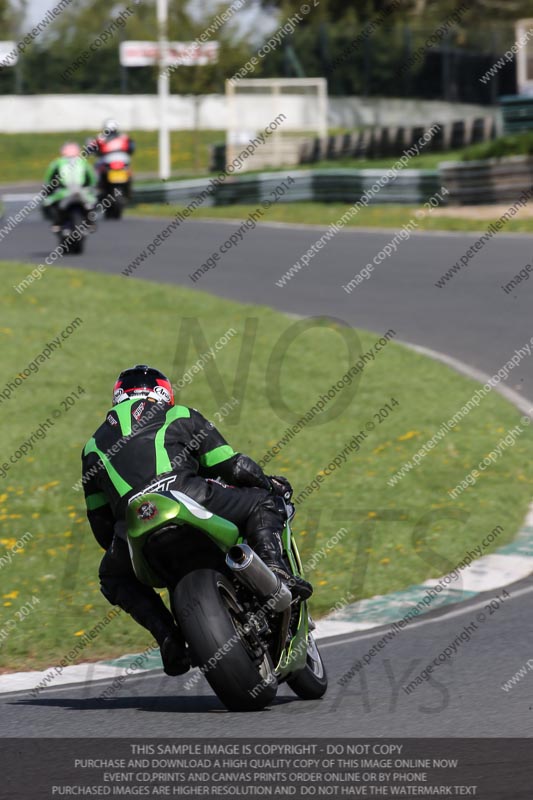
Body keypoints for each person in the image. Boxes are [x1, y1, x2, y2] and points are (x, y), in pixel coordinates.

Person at [82, 365, 312, 676]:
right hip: (187, 494)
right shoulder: (180, 415)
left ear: (118, 397)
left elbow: (100, 524)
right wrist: (269, 484)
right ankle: (274, 569)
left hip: (136, 522)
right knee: (263, 501)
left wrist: (122, 542)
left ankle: (168, 638)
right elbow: (234, 466)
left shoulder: (92, 447)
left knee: (112, 576)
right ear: (164, 393)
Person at [42, 142, 97, 230]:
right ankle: (90, 223)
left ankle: (57, 224)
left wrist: (47, 190)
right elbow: (92, 178)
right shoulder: (83, 162)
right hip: (80, 191)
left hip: (65, 192)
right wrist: (91, 188)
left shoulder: (57, 162)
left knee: (48, 203)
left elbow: (48, 179)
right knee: (91, 203)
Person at [86, 119, 135, 189]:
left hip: (106, 161)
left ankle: (96, 187)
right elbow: (131, 148)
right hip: (123, 161)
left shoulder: (100, 137)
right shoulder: (124, 136)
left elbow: (90, 148)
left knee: (96, 169)